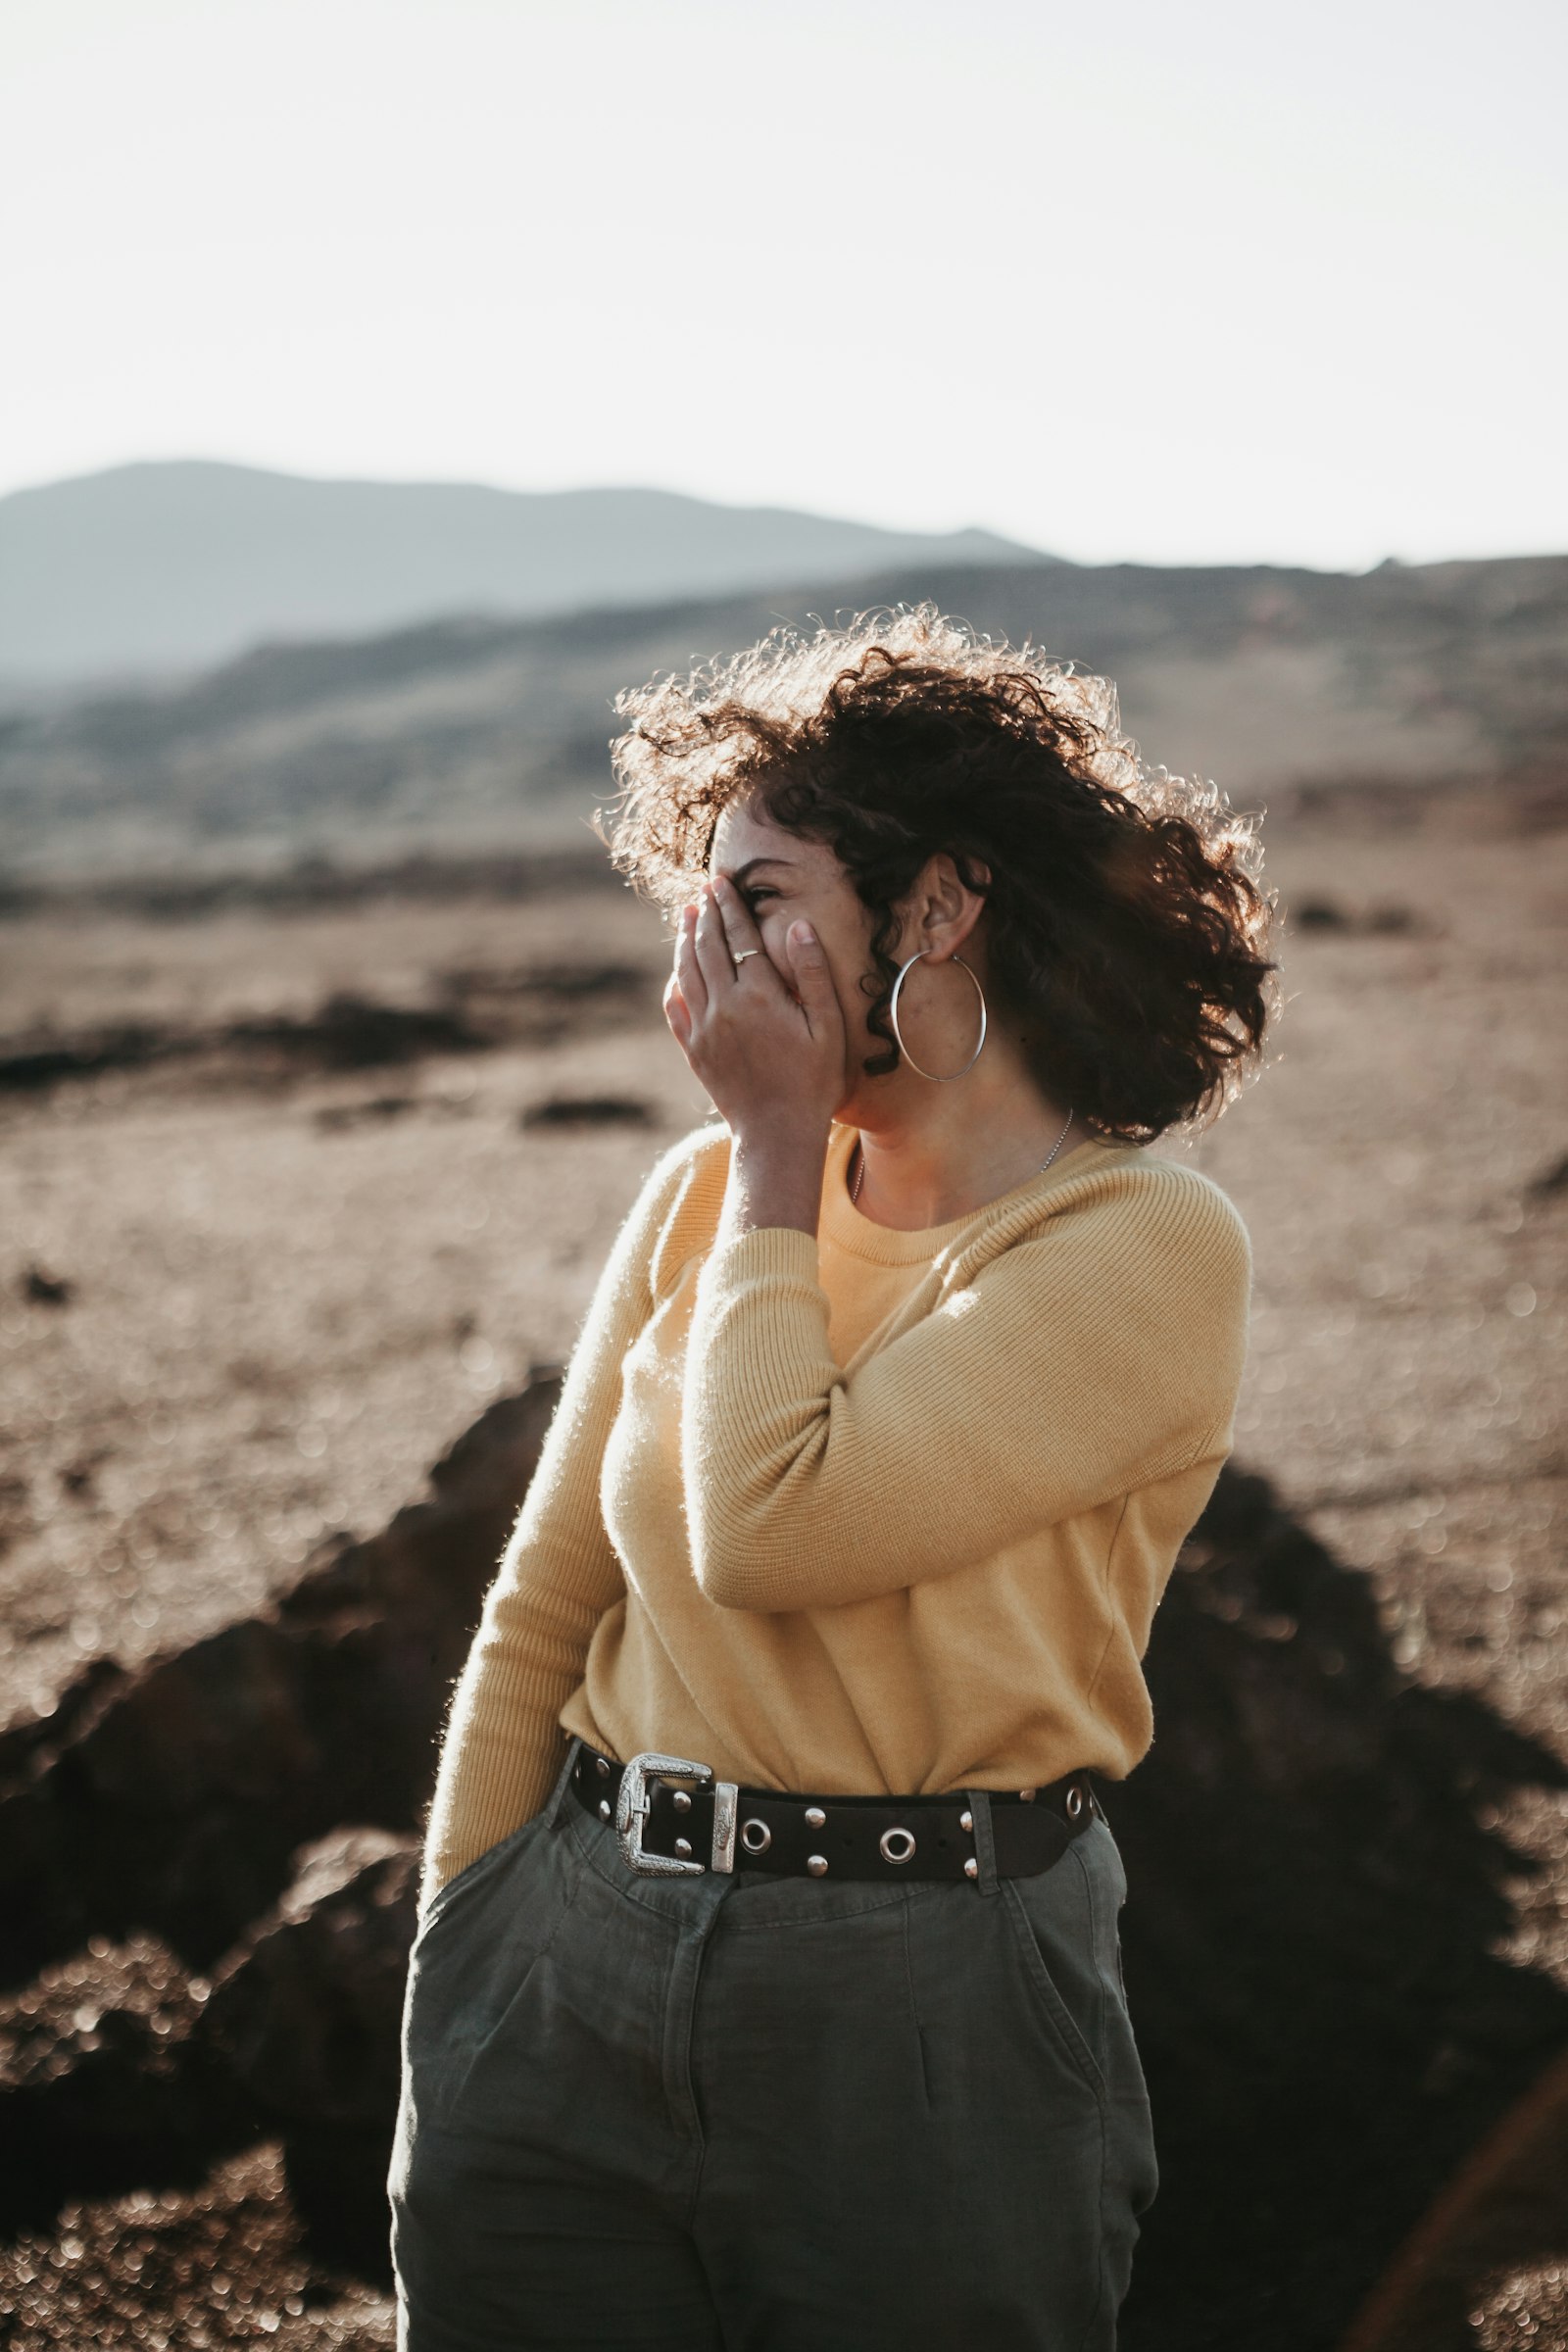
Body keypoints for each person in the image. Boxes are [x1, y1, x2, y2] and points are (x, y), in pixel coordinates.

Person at [388, 603, 1276, 2350]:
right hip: (567, 1953)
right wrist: (467, 1960)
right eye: (698, 915)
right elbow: (549, 1603)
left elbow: (773, 1526)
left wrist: (778, 1145)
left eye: (763, 903)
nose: (706, 973)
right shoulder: (701, 1203)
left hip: (927, 2003)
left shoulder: (1143, 1243)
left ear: (938, 908)